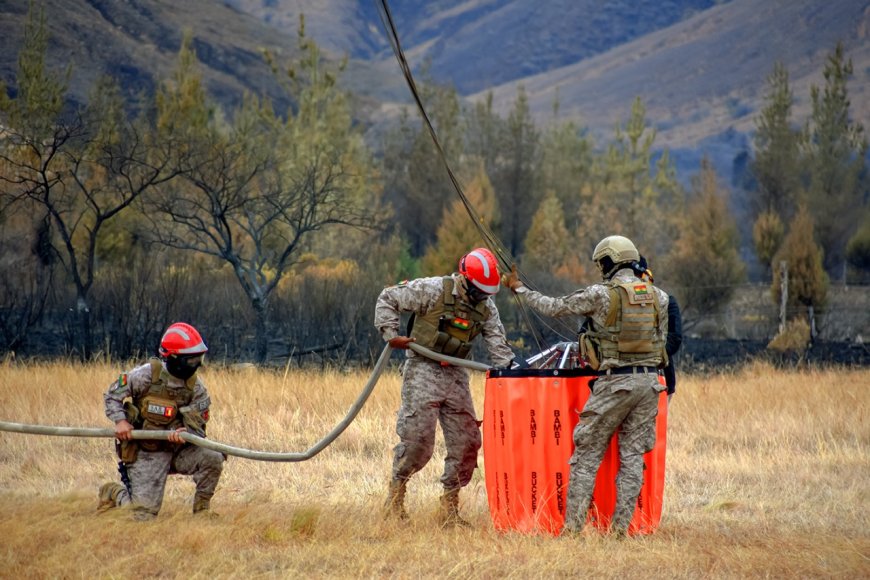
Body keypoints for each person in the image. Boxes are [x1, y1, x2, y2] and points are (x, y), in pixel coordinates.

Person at [503, 235, 668, 536]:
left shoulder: (601, 294)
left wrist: (520, 289)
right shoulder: (660, 297)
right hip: (649, 384)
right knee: (632, 458)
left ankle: (572, 529)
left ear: (608, 261)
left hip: (615, 382)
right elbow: (661, 342)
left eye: (600, 263)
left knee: (587, 455)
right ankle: (620, 532)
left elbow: (554, 307)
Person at [375, 248, 516, 527]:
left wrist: (512, 374)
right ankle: (394, 502)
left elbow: (498, 346)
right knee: (417, 441)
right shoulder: (433, 289)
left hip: (456, 375)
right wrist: (391, 334)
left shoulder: (486, 306)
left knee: (467, 443)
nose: (481, 298)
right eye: (477, 292)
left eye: (486, 293)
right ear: (465, 280)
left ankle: (449, 510)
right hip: (423, 369)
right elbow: (388, 297)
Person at [97, 322, 224, 520]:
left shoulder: (196, 388)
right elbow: (112, 395)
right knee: (143, 516)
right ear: (174, 358)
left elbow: (199, 429)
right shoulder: (145, 376)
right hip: (147, 451)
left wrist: (187, 435)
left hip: (179, 452)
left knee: (214, 456)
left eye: (199, 358)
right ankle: (115, 493)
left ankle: (202, 511)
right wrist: (120, 421)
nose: (198, 364)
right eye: (192, 360)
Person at [635, 256, 683, 402]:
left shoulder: (666, 301)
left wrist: (649, 355)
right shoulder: (612, 299)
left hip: (660, 379)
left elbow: (674, 339)